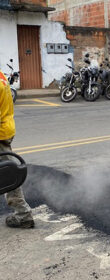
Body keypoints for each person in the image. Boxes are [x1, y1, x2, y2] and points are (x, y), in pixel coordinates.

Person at [0, 70, 34, 228]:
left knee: (7, 173)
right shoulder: (1, 75)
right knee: (6, 172)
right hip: (5, 128)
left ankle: (23, 215)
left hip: (0, 132)